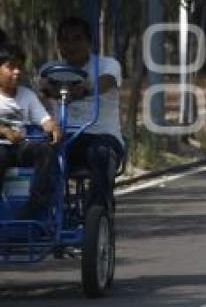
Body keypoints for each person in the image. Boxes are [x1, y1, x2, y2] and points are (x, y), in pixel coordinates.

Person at [39, 17, 124, 211]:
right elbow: (43, 88)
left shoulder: (107, 65)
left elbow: (108, 81)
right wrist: (49, 90)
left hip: (101, 135)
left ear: (89, 42)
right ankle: (38, 213)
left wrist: (85, 89)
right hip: (63, 137)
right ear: (58, 44)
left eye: (77, 39)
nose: (71, 45)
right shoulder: (50, 69)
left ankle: (96, 211)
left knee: (101, 155)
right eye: (65, 40)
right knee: (35, 154)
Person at [0, 44, 62, 218]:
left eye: (19, 67)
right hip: (1, 148)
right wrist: (4, 131)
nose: (17, 72)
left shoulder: (27, 95)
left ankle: (35, 208)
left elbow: (44, 119)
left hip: (20, 147)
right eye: (11, 67)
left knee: (46, 151)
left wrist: (53, 127)